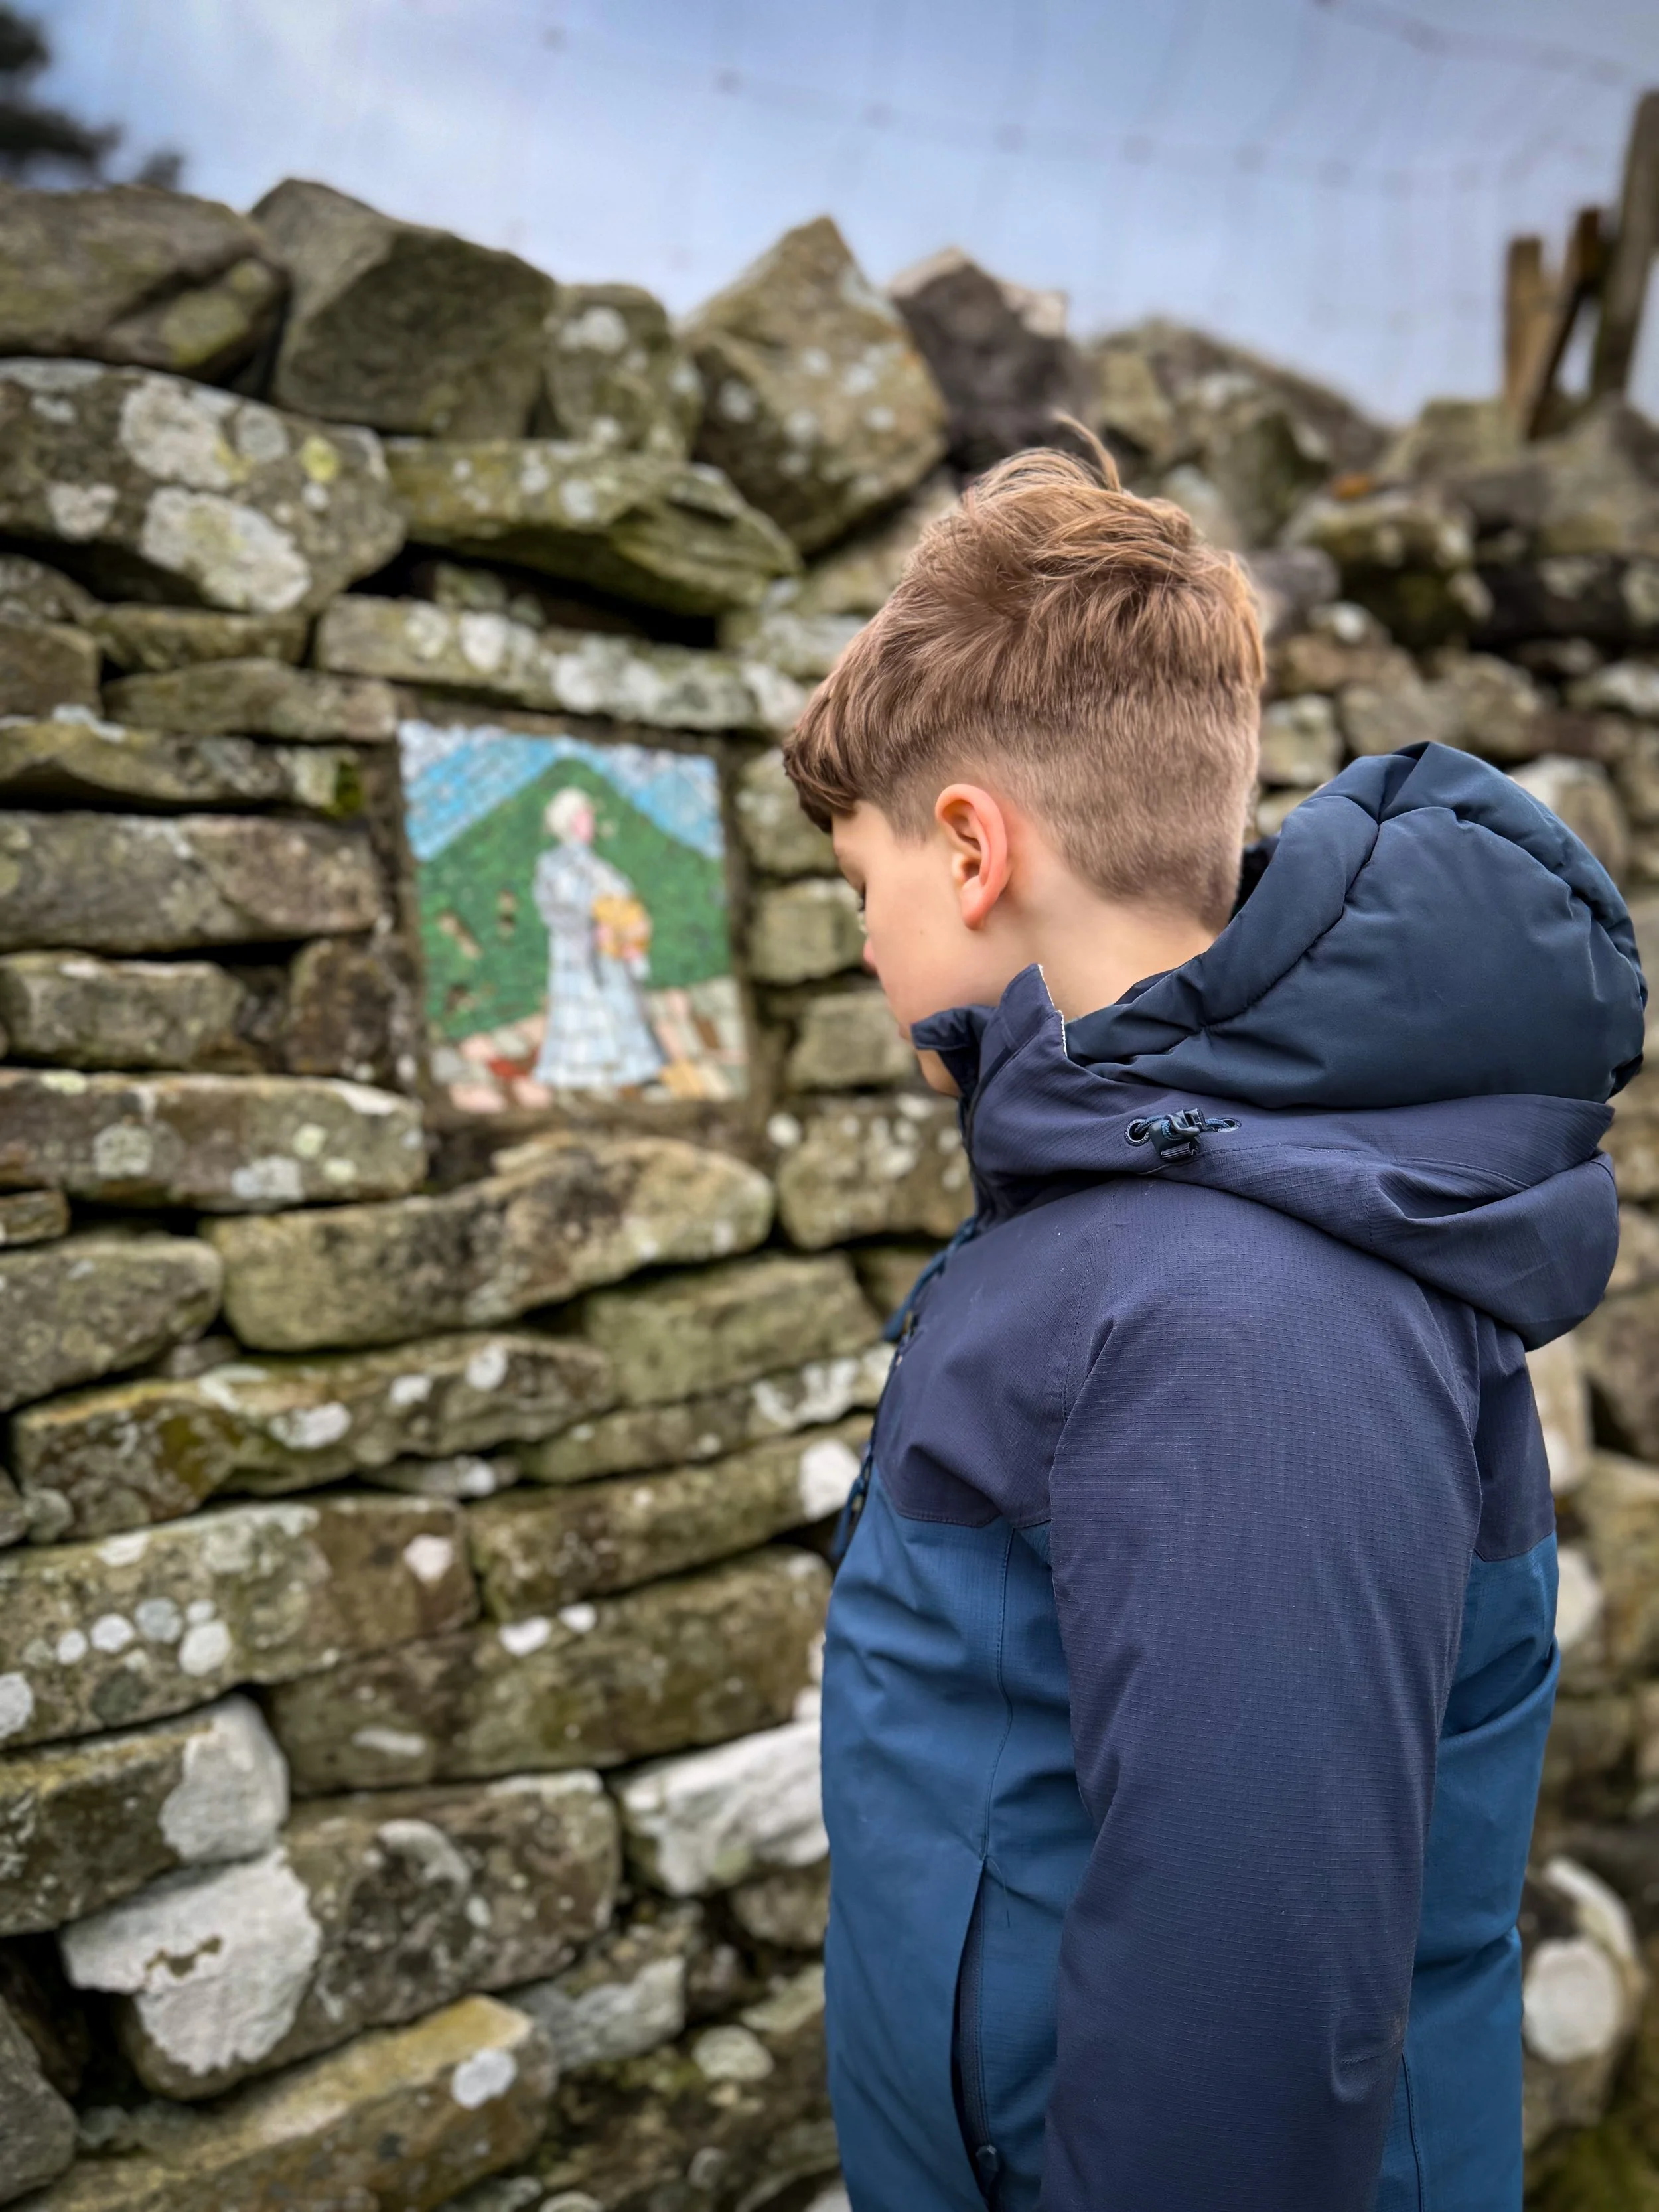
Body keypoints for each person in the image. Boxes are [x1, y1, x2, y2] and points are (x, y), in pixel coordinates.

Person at [782, 444, 1646, 2212]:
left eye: (853, 875)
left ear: (967, 844)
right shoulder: (1127, 1209)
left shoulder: (1236, 1312)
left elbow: (1243, 1980)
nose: (857, 940)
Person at [530, 784, 664, 1092]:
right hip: (579, 952)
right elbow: (574, 902)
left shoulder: (595, 864)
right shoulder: (555, 863)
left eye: (588, 816)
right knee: (585, 1008)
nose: (589, 823)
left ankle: (635, 1067)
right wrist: (596, 923)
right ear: (570, 821)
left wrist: (629, 931)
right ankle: (585, 1073)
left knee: (622, 1005)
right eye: (583, 817)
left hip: (610, 949)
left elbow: (621, 897)